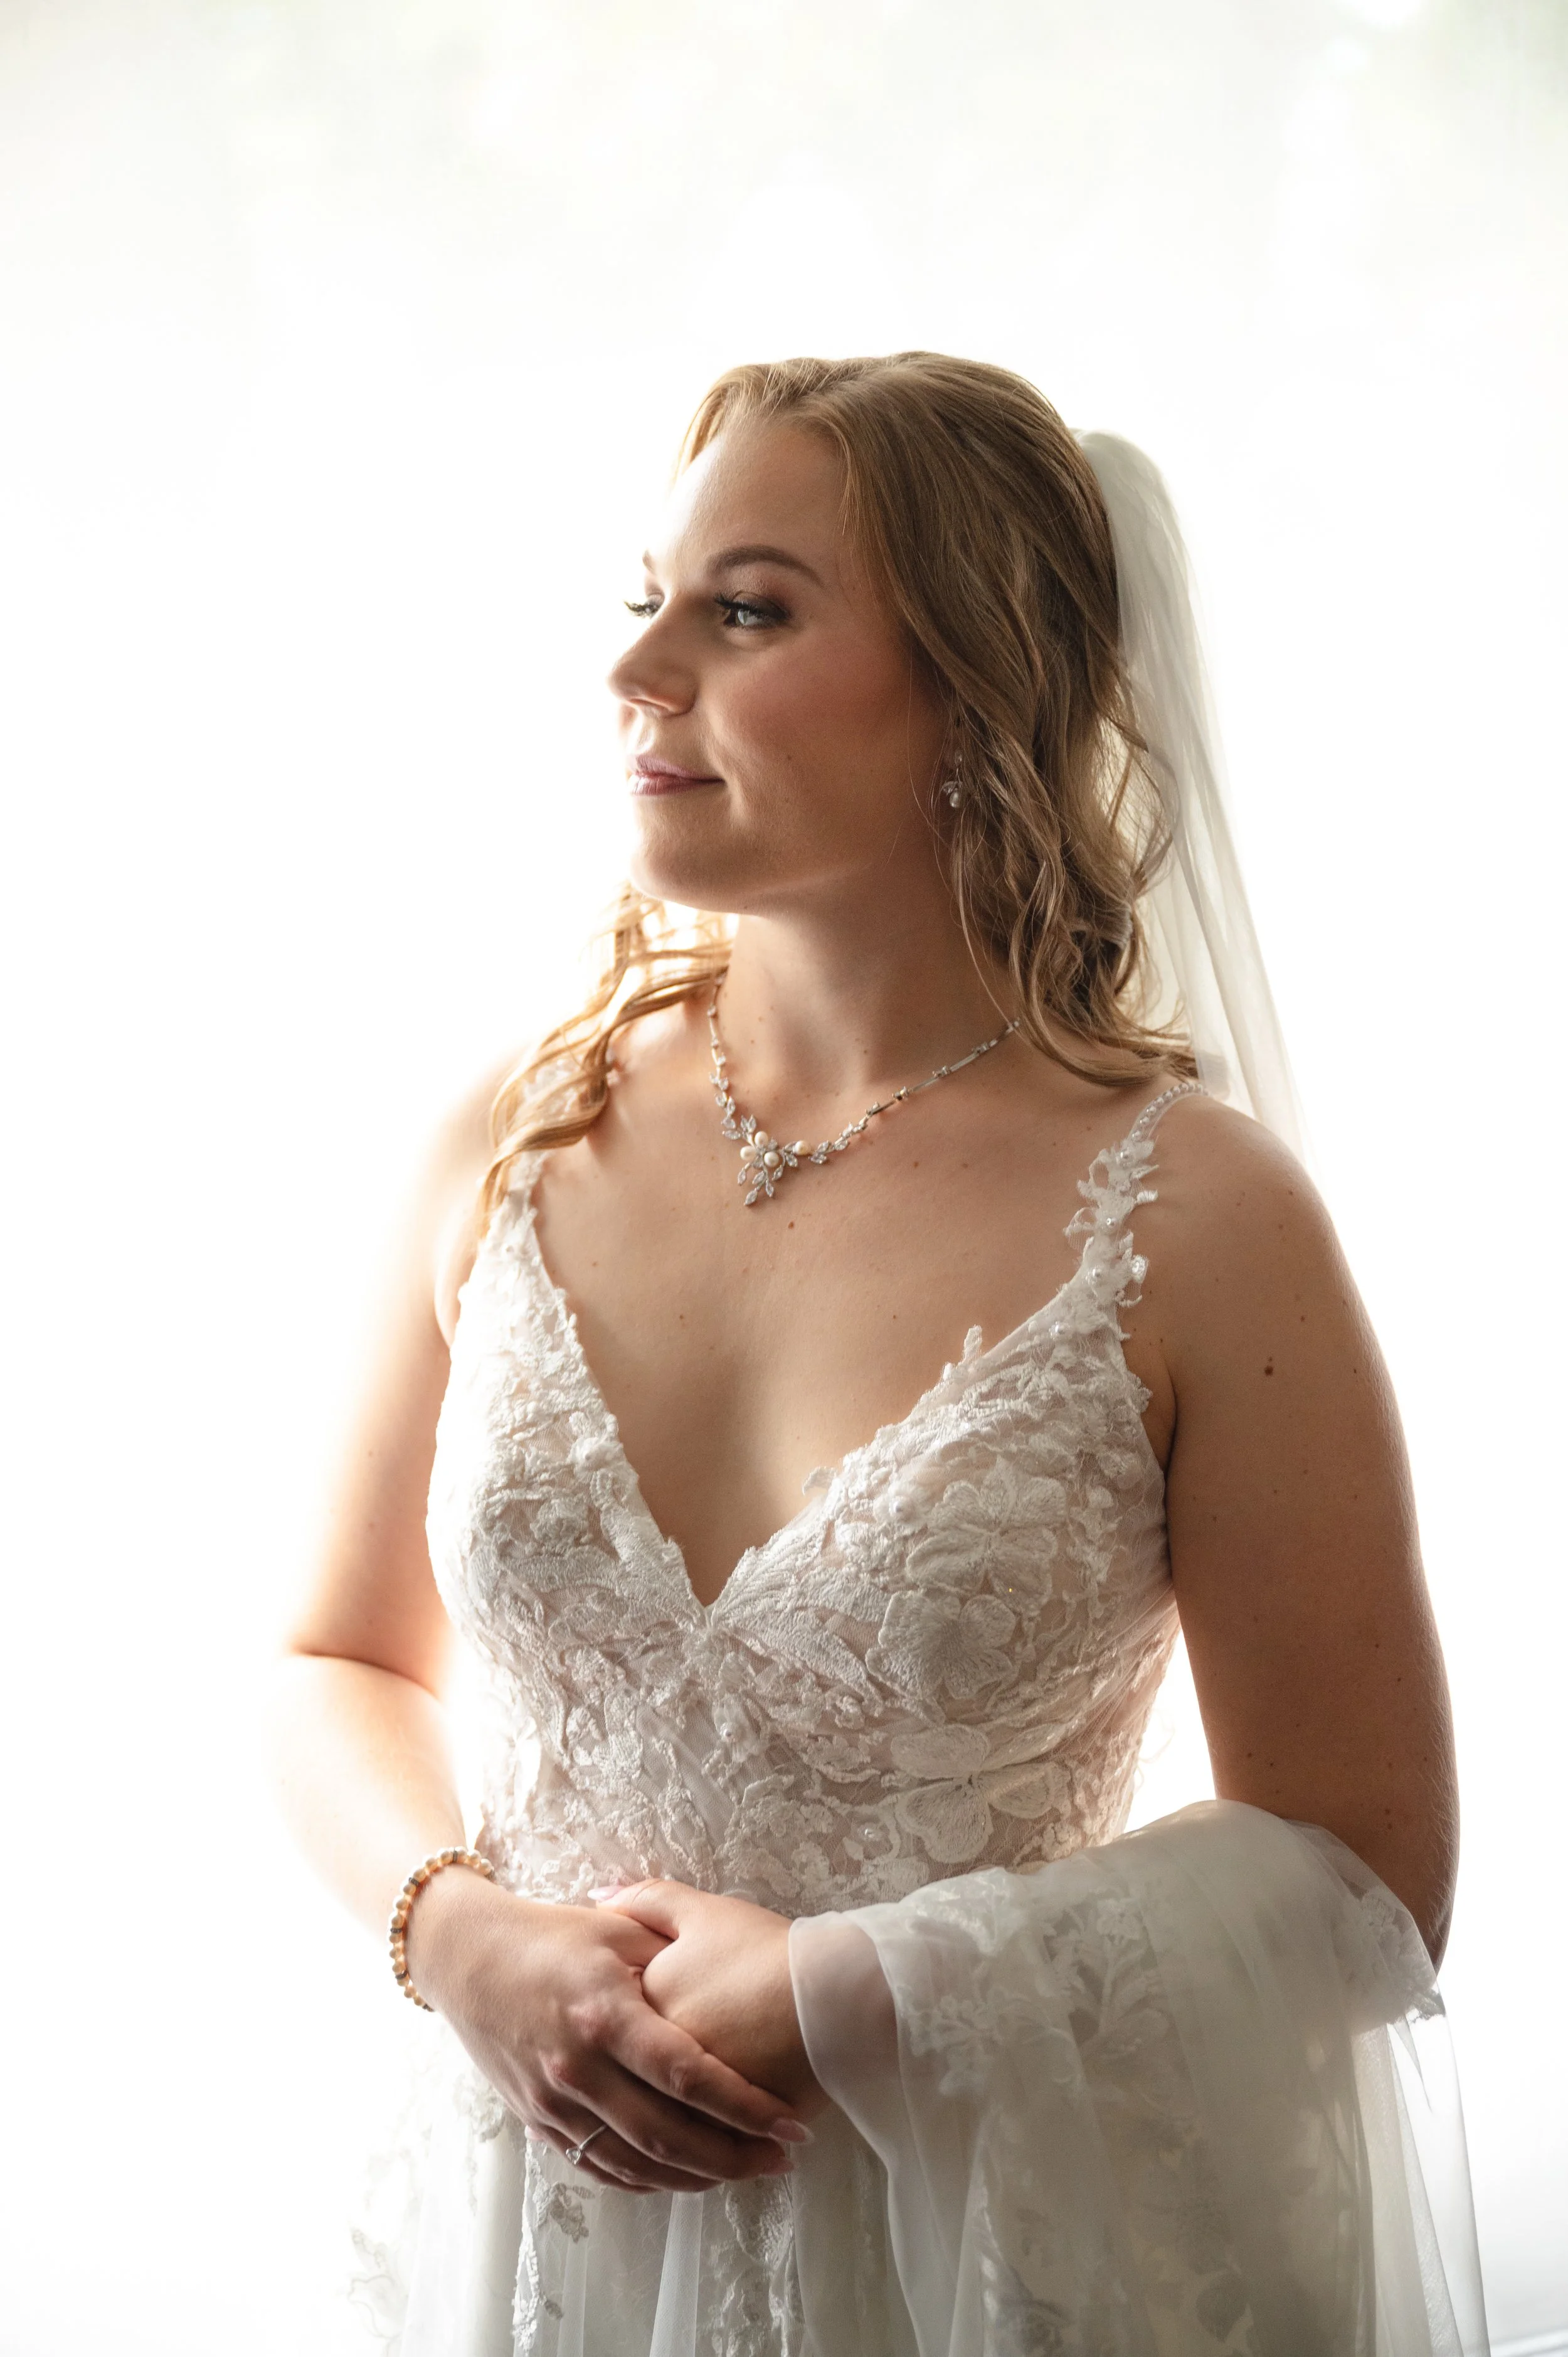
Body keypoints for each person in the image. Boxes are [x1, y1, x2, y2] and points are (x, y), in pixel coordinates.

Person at [272, 353, 1487, 2354]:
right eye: (645, 596)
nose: (636, 668)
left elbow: (1363, 1875)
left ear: (972, 698)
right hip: (537, 2239)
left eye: (741, 610)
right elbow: (330, 1658)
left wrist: (864, 1990)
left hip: (976, 2254)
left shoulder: (1198, 1214)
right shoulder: (512, 1135)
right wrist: (459, 1931)